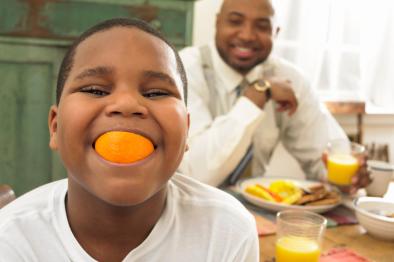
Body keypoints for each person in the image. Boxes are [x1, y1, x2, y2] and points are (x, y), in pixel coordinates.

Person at [0, 18, 259, 261]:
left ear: (186, 130)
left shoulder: (228, 231)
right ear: (55, 127)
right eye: (95, 90)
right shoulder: (12, 240)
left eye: (156, 92)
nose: (126, 104)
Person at [179, 0, 370, 192]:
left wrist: (347, 179)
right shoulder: (184, 70)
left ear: (276, 32)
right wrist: (257, 94)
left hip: (256, 211)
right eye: (235, 22)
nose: (246, 35)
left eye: (262, 26)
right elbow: (196, 174)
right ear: (218, 22)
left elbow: (324, 156)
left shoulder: (289, 79)